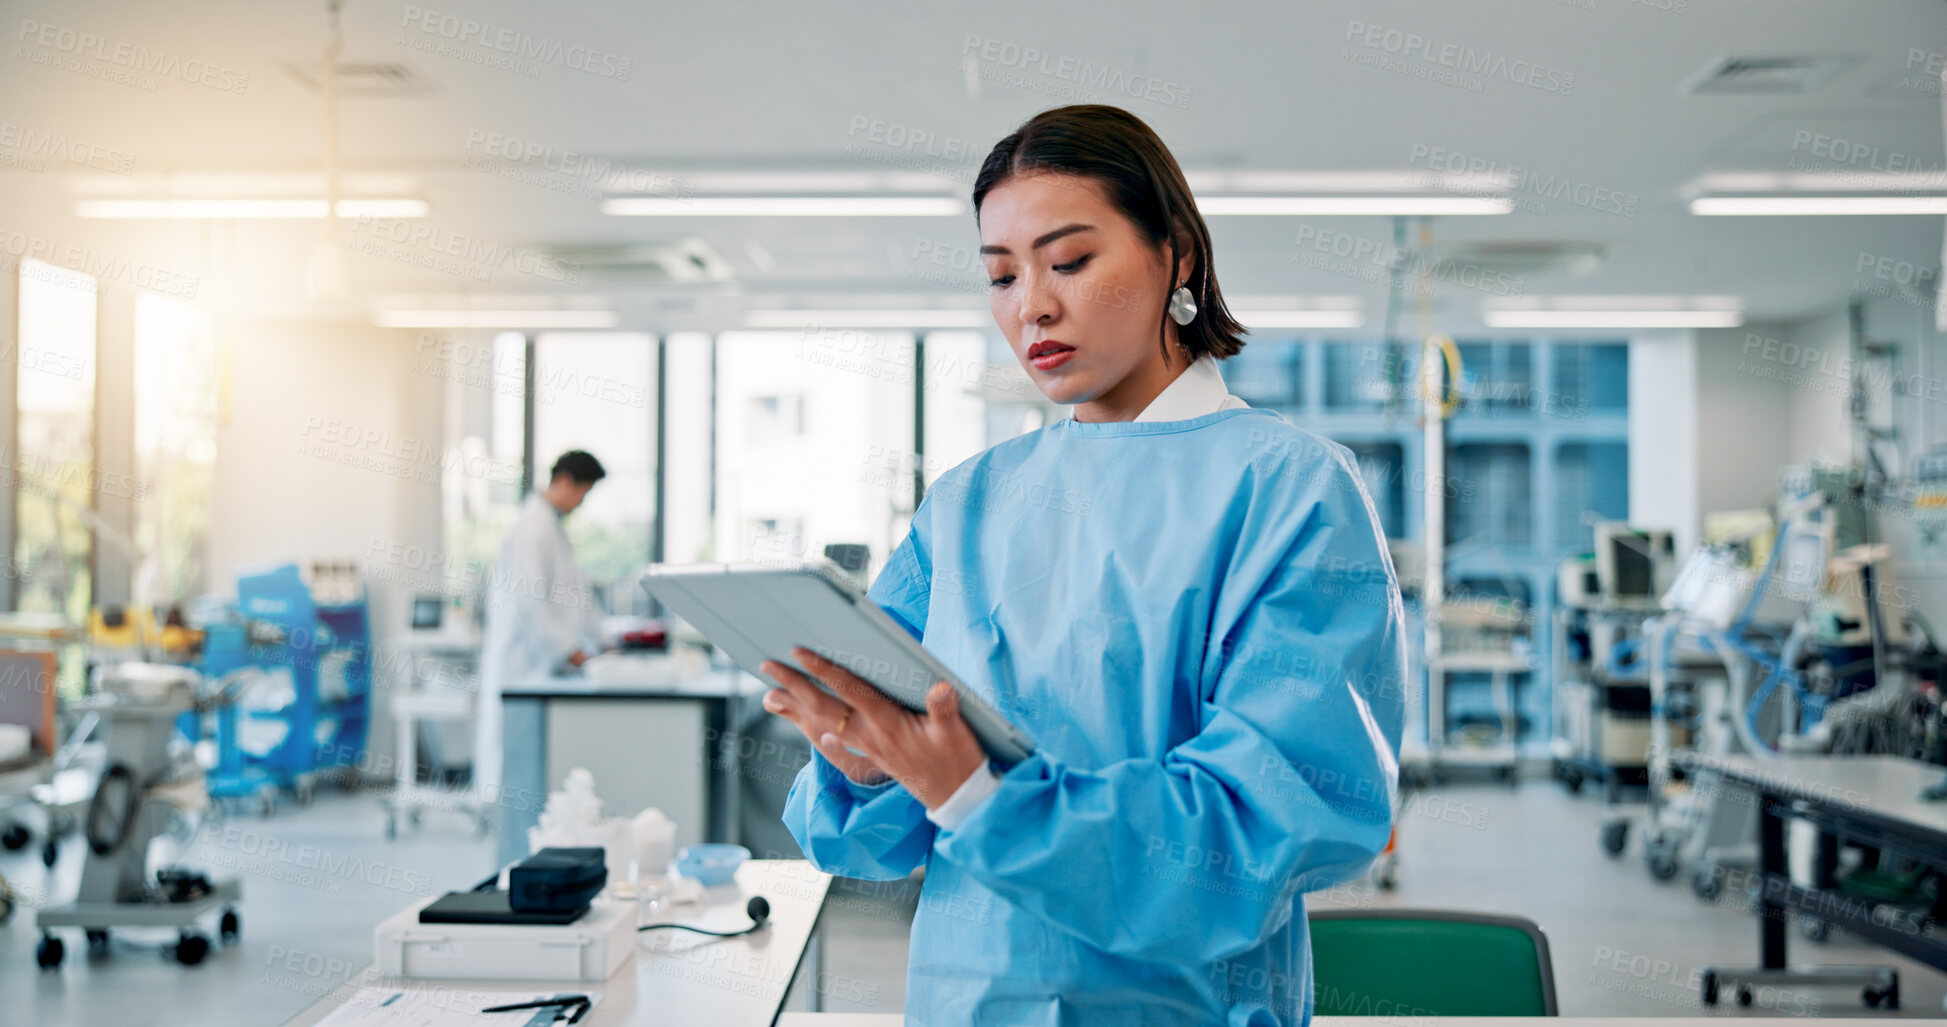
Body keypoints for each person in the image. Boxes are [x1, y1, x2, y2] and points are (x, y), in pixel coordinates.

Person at [765, 105, 1406, 1025]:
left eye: (1068, 261)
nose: (1031, 304)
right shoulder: (969, 500)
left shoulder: (1290, 488)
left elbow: (1280, 813)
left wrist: (991, 803)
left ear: (1176, 254)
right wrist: (869, 765)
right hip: (965, 994)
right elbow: (878, 832)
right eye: (1000, 274)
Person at [475, 450, 607, 805]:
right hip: (523, 664)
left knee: (538, 774)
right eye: (583, 492)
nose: (582, 503)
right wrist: (570, 650)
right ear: (564, 481)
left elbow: (577, 595)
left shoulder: (550, 528)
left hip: (542, 665)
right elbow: (530, 603)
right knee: (517, 766)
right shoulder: (532, 529)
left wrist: (604, 641)